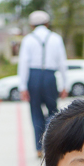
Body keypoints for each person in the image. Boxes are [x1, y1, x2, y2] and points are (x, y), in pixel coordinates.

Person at [18, 10, 68, 157]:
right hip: (50, 76)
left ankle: (39, 148)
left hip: (33, 77)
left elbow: (23, 64)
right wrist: (65, 84)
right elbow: (62, 63)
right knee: (53, 111)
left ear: (32, 25)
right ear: (47, 23)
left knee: (35, 113)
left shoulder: (28, 39)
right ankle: (51, 145)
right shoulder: (56, 38)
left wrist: (22, 86)